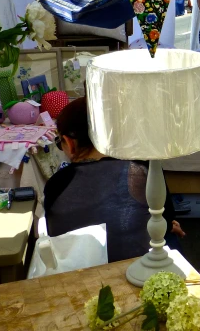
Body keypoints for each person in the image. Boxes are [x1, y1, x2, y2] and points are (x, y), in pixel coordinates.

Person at [46, 97, 185, 262]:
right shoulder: (142, 169)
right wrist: (169, 226)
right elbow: (165, 218)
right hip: (139, 269)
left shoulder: (56, 184)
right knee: (169, 236)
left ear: (69, 143)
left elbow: (55, 233)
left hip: (81, 271)